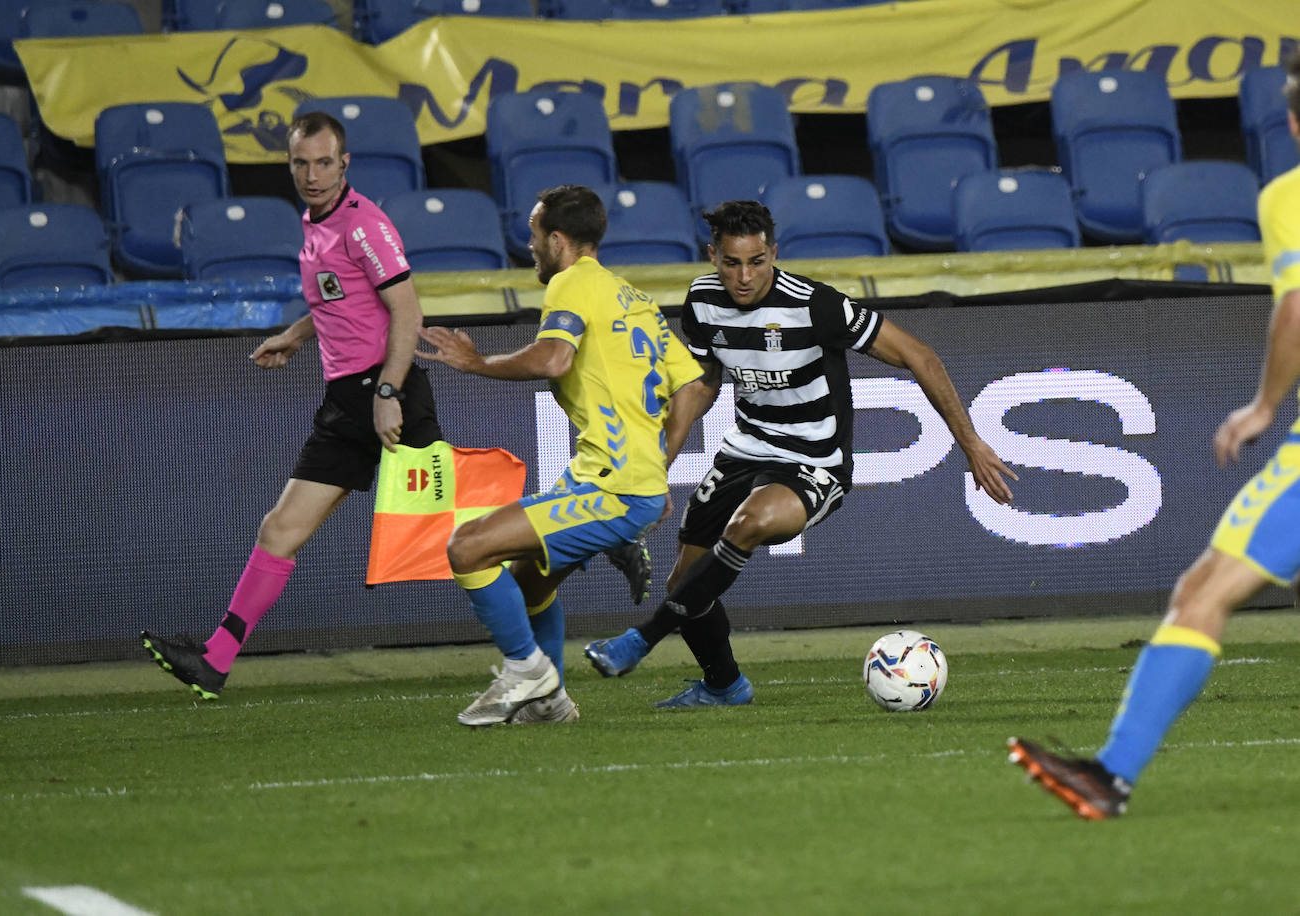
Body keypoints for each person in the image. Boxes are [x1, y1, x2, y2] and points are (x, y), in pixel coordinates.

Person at [1007, 52, 1300, 819]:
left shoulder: (1289, 196)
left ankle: (1112, 775)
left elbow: (1297, 309)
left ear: (1291, 121)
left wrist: (1264, 406)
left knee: (1204, 591)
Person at [583, 199, 1017, 708]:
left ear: (773, 253)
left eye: (756, 261)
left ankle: (642, 639)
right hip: (744, 451)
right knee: (685, 582)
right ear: (712, 255)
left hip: (815, 460)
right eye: (731, 263)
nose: (744, 277)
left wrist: (972, 444)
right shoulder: (702, 302)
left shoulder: (815, 305)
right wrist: (657, 472)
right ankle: (724, 686)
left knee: (750, 522)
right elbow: (702, 386)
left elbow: (919, 355)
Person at [140, 110, 441, 699]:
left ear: (344, 163)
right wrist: (299, 335)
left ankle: (547, 607)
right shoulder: (314, 223)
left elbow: (407, 311)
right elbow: (343, 298)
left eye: (324, 163)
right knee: (279, 530)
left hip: (389, 394)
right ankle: (215, 660)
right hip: (346, 402)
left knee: (458, 534)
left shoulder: (365, 225)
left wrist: (387, 393)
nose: (312, 175)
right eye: (301, 163)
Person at [416, 184, 703, 726]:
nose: (529, 246)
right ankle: (550, 704)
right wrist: (657, 466)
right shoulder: (633, 297)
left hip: (613, 486)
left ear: (557, 240)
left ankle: (527, 671)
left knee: (468, 547)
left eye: (533, 235)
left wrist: (477, 363)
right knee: (530, 581)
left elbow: (554, 359)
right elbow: (691, 385)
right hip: (617, 477)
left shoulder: (571, 283)